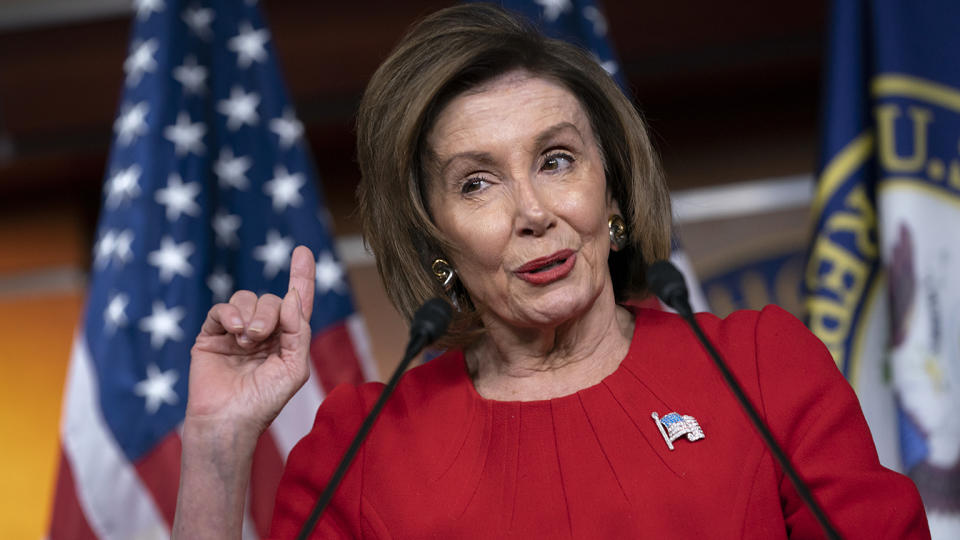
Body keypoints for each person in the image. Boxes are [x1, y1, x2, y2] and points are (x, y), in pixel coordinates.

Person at [173, 4, 930, 538]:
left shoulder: (762, 367)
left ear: (613, 189)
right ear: (431, 232)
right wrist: (216, 446)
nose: (532, 211)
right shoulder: (362, 446)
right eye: (477, 182)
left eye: (557, 159)